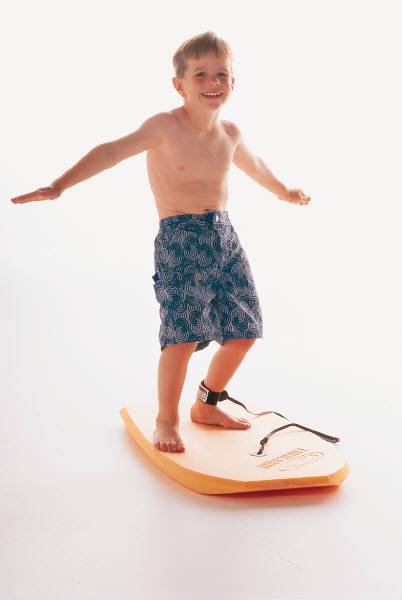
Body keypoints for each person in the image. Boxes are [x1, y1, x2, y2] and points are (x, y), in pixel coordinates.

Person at [10, 31, 311, 454]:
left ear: (233, 82)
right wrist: (59, 185)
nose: (213, 82)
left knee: (244, 331)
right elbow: (110, 151)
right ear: (180, 84)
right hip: (180, 238)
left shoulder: (230, 132)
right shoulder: (164, 126)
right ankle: (166, 420)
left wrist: (285, 192)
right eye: (201, 74)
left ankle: (207, 403)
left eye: (221, 74)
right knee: (182, 336)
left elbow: (256, 167)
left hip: (225, 237)